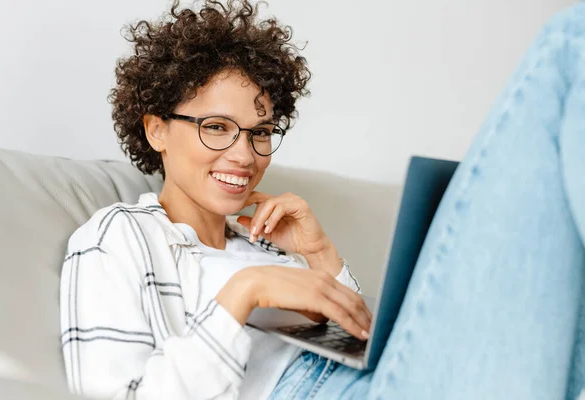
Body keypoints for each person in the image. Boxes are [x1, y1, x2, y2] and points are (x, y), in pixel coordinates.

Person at [59, 0, 585, 398]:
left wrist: (320, 257)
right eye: (217, 127)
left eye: (260, 132)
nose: (244, 154)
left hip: (372, 380)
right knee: (571, 41)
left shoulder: (266, 247)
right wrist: (245, 290)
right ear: (156, 130)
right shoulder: (118, 236)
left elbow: (361, 344)